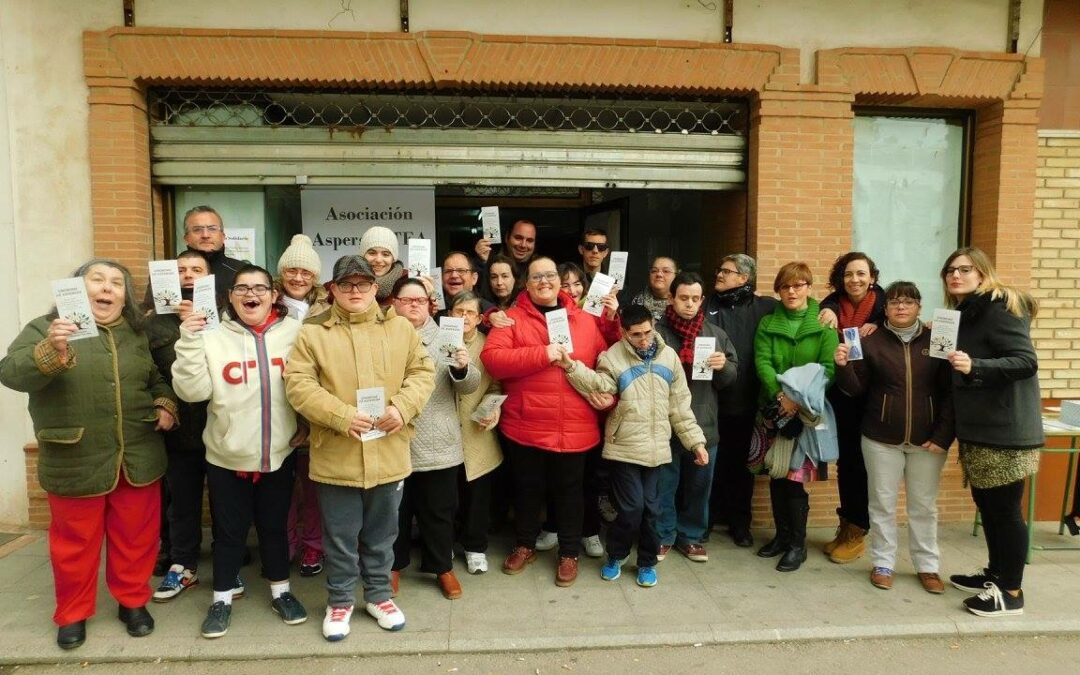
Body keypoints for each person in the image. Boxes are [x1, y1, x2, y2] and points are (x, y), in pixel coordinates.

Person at [1, 259, 178, 650]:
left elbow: (156, 378)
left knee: (136, 538)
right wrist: (51, 350)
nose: (107, 288)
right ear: (78, 289)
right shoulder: (44, 328)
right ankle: (73, 613)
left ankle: (132, 602)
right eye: (97, 279)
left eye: (117, 283)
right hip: (74, 455)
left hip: (137, 454)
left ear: (125, 296)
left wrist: (165, 403)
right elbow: (10, 372)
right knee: (73, 544)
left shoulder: (135, 333)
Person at [284, 255, 435, 639]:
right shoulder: (313, 333)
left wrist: (401, 408)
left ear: (374, 288)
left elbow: (422, 372)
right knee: (340, 536)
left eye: (362, 284)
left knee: (383, 535)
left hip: (388, 451)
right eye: (346, 284)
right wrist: (339, 416)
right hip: (339, 454)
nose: (355, 291)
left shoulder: (400, 328)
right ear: (332, 289)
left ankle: (379, 595)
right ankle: (339, 601)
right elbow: (299, 385)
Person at [172, 264, 308, 639]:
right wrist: (187, 341)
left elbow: (310, 383)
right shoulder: (212, 336)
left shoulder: (295, 333)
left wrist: (307, 423)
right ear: (230, 297)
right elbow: (192, 392)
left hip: (278, 453)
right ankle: (221, 599)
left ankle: (281, 592)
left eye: (260, 288)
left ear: (274, 295)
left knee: (274, 528)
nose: (252, 294)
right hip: (226, 456)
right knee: (229, 534)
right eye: (242, 288)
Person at [480, 256, 612, 587]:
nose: (545, 281)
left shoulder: (583, 320)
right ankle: (524, 545)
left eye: (551, 275)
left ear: (560, 280)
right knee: (527, 490)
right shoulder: (509, 320)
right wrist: (543, 353)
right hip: (527, 424)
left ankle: (569, 553)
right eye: (537, 276)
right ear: (526, 283)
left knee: (571, 493)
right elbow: (493, 361)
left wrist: (609, 398)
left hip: (575, 425)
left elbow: (606, 365)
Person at [559, 304, 709, 588]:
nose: (644, 339)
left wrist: (696, 443)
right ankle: (616, 556)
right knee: (631, 509)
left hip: (657, 450)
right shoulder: (613, 357)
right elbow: (600, 385)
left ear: (653, 326)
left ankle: (647, 563)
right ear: (625, 333)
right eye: (636, 334)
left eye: (648, 332)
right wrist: (571, 366)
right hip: (624, 448)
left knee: (652, 511)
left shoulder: (669, 357)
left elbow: (680, 407)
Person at [939, 247, 1042, 617]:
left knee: (1005, 512)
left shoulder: (999, 307)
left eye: (965, 269)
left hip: (1006, 429)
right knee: (988, 507)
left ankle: (1011, 592)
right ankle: (996, 573)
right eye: (950, 270)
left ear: (982, 273)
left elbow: (1025, 361)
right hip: (981, 427)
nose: (955, 275)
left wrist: (975, 365)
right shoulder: (966, 313)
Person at [833, 281, 955, 593]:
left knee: (924, 506)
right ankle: (883, 562)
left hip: (928, 442)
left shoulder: (937, 338)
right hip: (880, 438)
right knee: (882, 504)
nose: (901, 307)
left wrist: (942, 436)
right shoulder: (870, 340)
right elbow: (855, 388)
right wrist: (843, 366)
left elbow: (949, 393)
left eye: (908, 302)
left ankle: (927, 566)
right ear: (885, 308)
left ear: (919, 306)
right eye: (895, 302)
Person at [389, 277, 480, 600]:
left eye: (420, 299)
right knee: (393, 512)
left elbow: (469, 386)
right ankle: (392, 566)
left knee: (439, 511)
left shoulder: (447, 336)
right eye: (407, 299)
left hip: (438, 439)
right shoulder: (382, 336)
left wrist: (462, 368)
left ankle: (442, 567)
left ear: (430, 304)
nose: (414, 304)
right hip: (392, 438)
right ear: (394, 303)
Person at [754, 262, 840, 572]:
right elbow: (762, 362)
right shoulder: (767, 324)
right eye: (786, 286)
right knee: (776, 476)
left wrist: (797, 399)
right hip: (774, 411)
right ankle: (781, 536)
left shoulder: (824, 325)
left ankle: (797, 545)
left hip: (806, 415)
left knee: (794, 480)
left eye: (799, 285)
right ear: (778, 290)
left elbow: (827, 370)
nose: (792, 291)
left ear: (808, 287)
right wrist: (781, 396)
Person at [654, 272, 738, 563]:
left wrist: (723, 366)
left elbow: (730, 378)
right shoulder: (656, 334)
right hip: (664, 425)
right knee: (664, 486)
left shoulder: (715, 334)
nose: (689, 304)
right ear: (671, 298)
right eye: (683, 298)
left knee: (698, 488)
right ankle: (663, 535)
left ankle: (690, 536)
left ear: (702, 300)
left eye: (695, 299)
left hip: (704, 424)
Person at [145, 251, 214, 603]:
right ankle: (182, 561)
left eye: (196, 270)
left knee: (223, 501)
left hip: (218, 427)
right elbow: (148, 373)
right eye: (181, 270)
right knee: (181, 502)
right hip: (177, 430)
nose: (188, 275)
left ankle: (226, 557)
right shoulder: (152, 323)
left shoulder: (223, 315)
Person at [817, 252, 887, 564]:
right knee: (846, 464)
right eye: (848, 274)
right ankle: (846, 526)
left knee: (864, 466)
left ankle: (858, 530)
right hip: (843, 397)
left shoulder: (885, 310)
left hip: (875, 399)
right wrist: (829, 311)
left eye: (861, 274)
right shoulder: (831, 306)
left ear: (872, 277)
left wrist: (879, 326)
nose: (854, 280)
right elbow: (827, 308)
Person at [704, 254, 777, 548]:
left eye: (726, 271)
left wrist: (828, 312)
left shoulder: (764, 307)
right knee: (707, 464)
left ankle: (740, 524)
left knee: (741, 468)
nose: (719, 274)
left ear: (744, 278)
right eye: (719, 269)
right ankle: (704, 521)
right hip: (709, 401)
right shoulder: (705, 304)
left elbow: (801, 306)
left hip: (746, 403)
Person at [274, 234, 332, 578]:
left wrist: (311, 418)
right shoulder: (266, 302)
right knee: (281, 487)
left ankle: (313, 545)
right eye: (292, 271)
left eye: (306, 273)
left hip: (313, 410)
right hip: (277, 409)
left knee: (312, 487)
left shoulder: (328, 307)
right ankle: (286, 542)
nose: (299, 278)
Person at [449, 291, 505, 575]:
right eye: (459, 311)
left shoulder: (487, 346)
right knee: (445, 497)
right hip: (445, 432)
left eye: (470, 313)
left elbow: (495, 387)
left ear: (480, 319)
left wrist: (491, 410)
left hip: (476, 432)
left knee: (477, 497)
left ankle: (475, 547)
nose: (464, 317)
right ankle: (443, 544)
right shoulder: (439, 342)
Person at [181, 205, 247, 301]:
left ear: (223, 236)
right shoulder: (169, 272)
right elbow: (152, 312)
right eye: (197, 230)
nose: (205, 235)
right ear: (186, 238)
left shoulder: (242, 271)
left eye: (212, 229)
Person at [358, 225, 407, 308]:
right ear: (362, 256)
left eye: (385, 254)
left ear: (393, 259)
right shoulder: (346, 281)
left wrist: (430, 302)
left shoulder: (408, 281)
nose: (378, 260)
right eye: (372, 253)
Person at [631, 256, 678, 321]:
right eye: (654, 271)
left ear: (676, 276)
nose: (659, 274)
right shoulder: (637, 302)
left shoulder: (682, 302)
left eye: (666, 271)